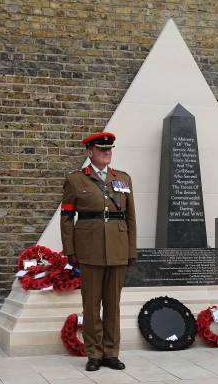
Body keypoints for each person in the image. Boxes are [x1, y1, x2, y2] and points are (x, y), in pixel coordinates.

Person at [60, 132, 137, 371]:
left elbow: (131, 217)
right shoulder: (76, 180)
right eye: (101, 149)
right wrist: (70, 250)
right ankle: (94, 353)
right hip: (90, 249)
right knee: (91, 305)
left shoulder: (122, 178)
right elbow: (66, 218)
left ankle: (111, 353)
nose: (107, 152)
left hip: (117, 249)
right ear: (89, 152)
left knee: (113, 305)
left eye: (109, 149)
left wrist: (131, 250)